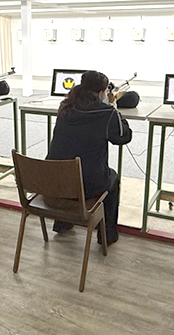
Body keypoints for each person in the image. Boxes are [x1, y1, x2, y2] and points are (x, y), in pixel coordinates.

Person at [46, 71, 132, 245]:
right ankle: (107, 236)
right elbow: (123, 137)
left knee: (69, 168)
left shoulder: (65, 107)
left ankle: (62, 223)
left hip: (55, 182)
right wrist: (114, 109)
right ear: (101, 93)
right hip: (87, 185)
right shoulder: (106, 113)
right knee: (112, 178)